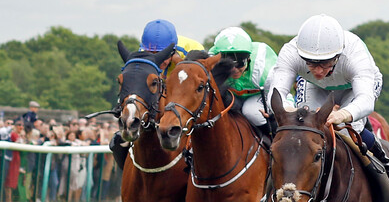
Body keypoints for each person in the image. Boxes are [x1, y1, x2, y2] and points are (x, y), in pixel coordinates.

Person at [265, 13, 389, 202]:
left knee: (349, 132)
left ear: (338, 55)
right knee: (301, 132)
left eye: (325, 63)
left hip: (354, 89)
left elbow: (365, 100)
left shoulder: (354, 55)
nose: (318, 70)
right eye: (311, 63)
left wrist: (343, 115)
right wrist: (290, 110)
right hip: (316, 88)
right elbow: (277, 93)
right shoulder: (290, 52)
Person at [110, 19, 205, 170]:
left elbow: (194, 90)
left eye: (161, 55)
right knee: (117, 142)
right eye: (151, 54)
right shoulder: (141, 56)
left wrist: (180, 62)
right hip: (158, 107)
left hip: (186, 107)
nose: (156, 58)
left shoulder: (191, 50)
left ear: (172, 51)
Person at [208, 27, 277, 138]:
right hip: (232, 96)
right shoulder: (212, 64)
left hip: (261, 94)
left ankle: (273, 139)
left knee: (250, 111)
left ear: (249, 58)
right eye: (228, 64)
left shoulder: (263, 69)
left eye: (240, 63)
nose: (234, 70)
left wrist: (278, 113)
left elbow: (283, 93)